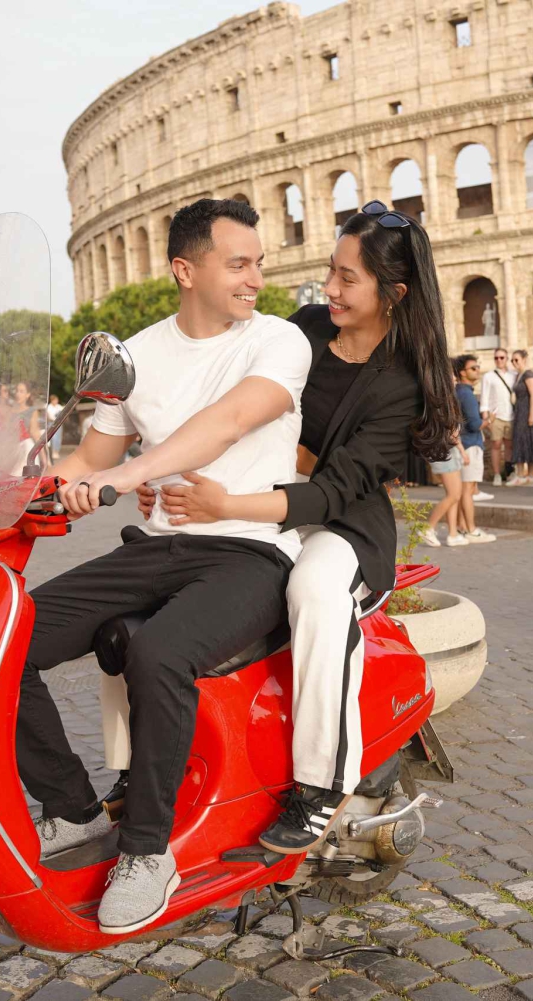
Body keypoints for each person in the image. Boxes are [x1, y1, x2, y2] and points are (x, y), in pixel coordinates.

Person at [15, 199, 310, 934]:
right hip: (157, 546)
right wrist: (7, 491)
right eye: (239, 264)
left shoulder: (278, 340)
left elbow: (230, 422)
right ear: (187, 269)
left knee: (158, 650)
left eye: (259, 263)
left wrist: (121, 479)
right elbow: (91, 458)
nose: (256, 278)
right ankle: (74, 806)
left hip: (250, 550)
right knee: (4, 636)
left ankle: (148, 851)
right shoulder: (137, 353)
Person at [128, 200, 458, 854]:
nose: (328, 290)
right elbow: (225, 404)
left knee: (314, 588)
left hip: (342, 528)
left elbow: (335, 489)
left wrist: (229, 504)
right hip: (254, 499)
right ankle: (146, 774)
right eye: (329, 272)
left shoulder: (401, 383)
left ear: (392, 294)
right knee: (150, 578)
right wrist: (160, 466)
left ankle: (320, 787)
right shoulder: (302, 328)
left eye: (347, 279)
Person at [453, 354, 495, 544]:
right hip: (470, 444)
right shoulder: (467, 394)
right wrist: (489, 421)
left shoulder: (458, 392)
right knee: (467, 490)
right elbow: (475, 424)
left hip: (464, 444)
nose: (477, 371)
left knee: (464, 490)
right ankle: (471, 529)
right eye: (473, 368)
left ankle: (462, 527)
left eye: (477, 367)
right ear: (463, 373)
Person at [479, 348, 515, 487]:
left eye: (502, 357)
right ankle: (497, 475)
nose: (499, 360)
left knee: (509, 446)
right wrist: (485, 416)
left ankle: (509, 472)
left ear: (506, 359)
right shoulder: (488, 376)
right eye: (496, 358)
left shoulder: (514, 374)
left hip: (511, 415)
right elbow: (484, 397)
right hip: (496, 415)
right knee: (496, 445)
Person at [507, 349, 533, 485]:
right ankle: (521, 473)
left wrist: (531, 415)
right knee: (520, 440)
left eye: (516, 359)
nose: (514, 362)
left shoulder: (528, 374)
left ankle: (531, 474)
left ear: (524, 360)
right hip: (519, 411)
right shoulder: (517, 376)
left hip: (527, 410)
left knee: (530, 439)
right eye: (512, 360)